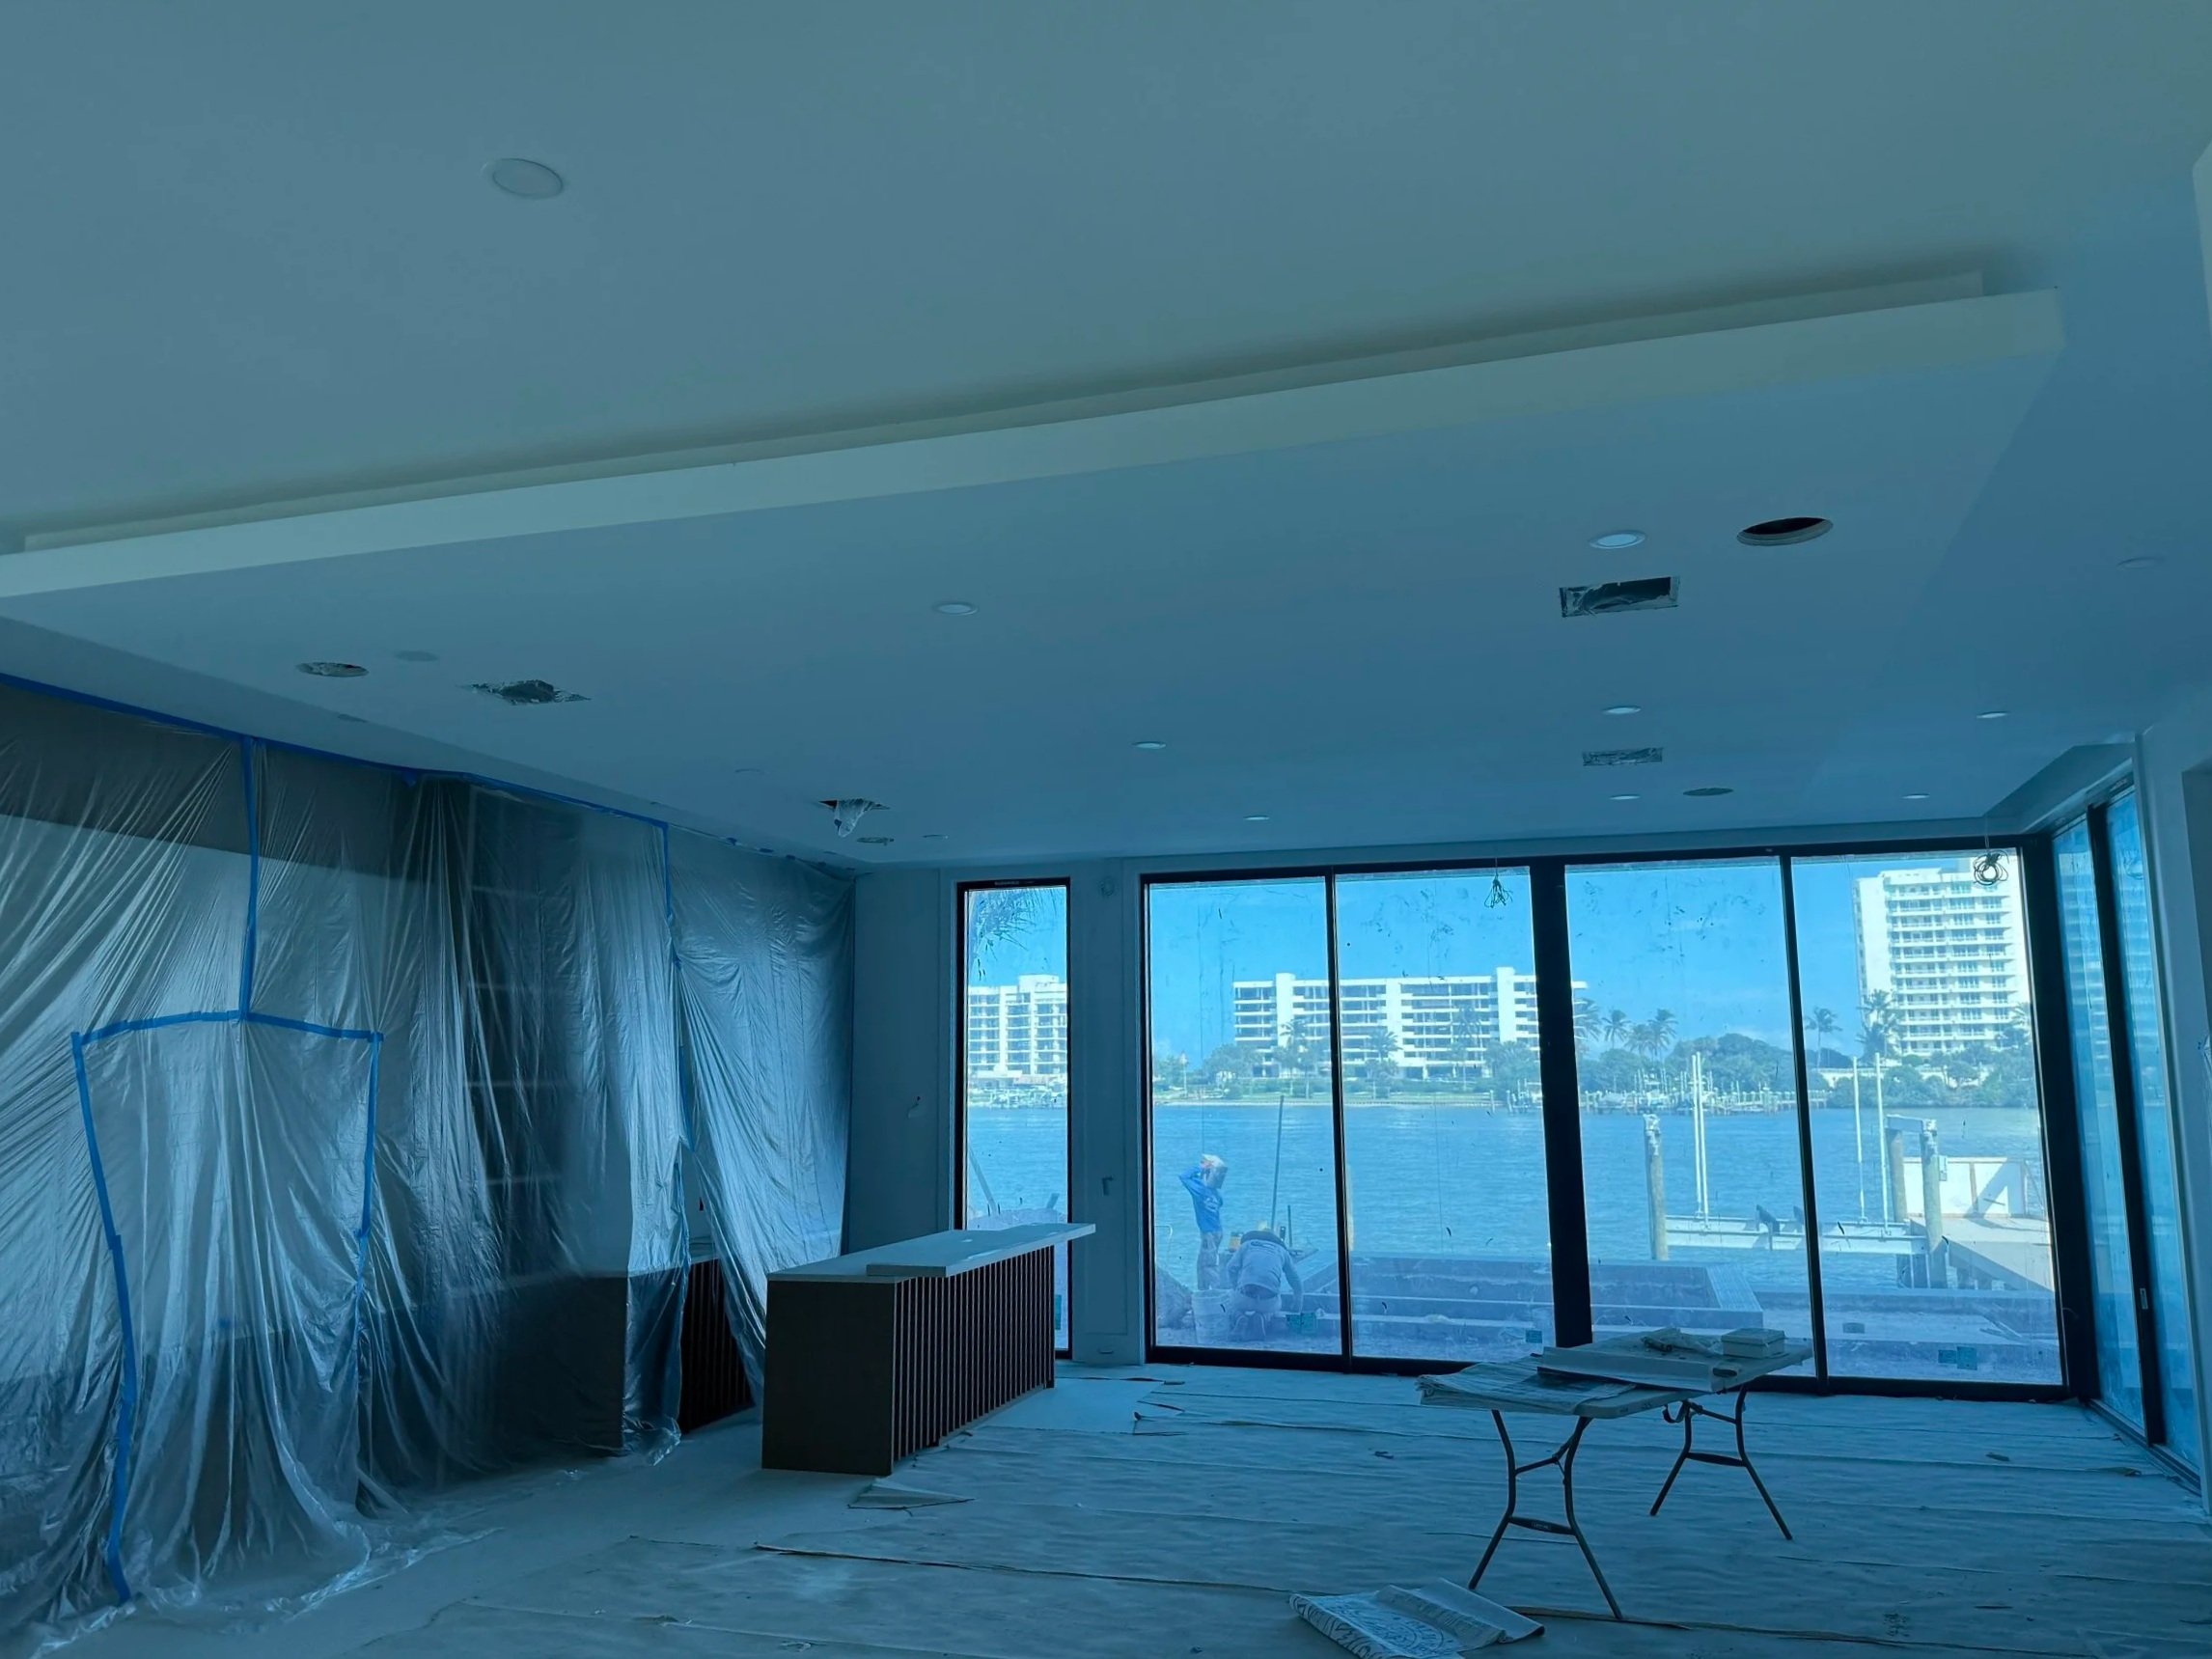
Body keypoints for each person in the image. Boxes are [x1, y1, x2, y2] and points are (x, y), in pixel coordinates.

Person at [1224, 1227, 1304, 1342]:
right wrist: (1297, 1306)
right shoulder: (1283, 1252)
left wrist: (1235, 1286)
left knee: (1226, 1301)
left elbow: (1230, 1268)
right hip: (1268, 1301)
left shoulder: (1247, 1245)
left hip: (1244, 1297)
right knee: (1275, 1305)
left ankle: (1239, 1317)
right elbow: (1295, 1280)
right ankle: (1263, 1318)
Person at [1180, 1154, 1228, 1289]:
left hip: (1209, 1234)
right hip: (1217, 1231)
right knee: (1202, 1264)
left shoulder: (1200, 1191)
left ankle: (1218, 1291)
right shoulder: (1215, 1193)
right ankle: (1203, 1292)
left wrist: (1200, 1168)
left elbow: (1184, 1176)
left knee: (1208, 1266)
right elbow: (1221, 1203)